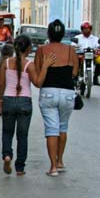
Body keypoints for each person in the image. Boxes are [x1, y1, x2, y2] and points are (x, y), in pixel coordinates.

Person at [0, 35, 55, 176]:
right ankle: (20, 168)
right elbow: (38, 82)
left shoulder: (6, 63)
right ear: (28, 49)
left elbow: (0, 84)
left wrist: (0, 100)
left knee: (7, 132)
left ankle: (7, 156)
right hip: (24, 102)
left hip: (8, 100)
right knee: (22, 136)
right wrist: (45, 66)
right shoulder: (29, 65)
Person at [34, 19, 79, 176]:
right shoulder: (70, 50)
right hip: (67, 93)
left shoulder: (42, 50)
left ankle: (53, 167)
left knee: (52, 129)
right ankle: (60, 161)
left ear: (49, 33)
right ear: (63, 34)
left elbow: (39, 70)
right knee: (63, 127)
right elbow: (74, 72)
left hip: (48, 92)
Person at [74, 21, 100, 86]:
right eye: (84, 28)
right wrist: (75, 48)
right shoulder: (77, 37)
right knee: (74, 61)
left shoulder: (95, 38)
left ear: (90, 29)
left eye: (88, 28)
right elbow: (73, 45)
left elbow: (99, 45)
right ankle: (75, 78)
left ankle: (95, 77)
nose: (86, 30)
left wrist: (99, 49)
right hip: (81, 55)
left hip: (92, 55)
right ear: (82, 29)